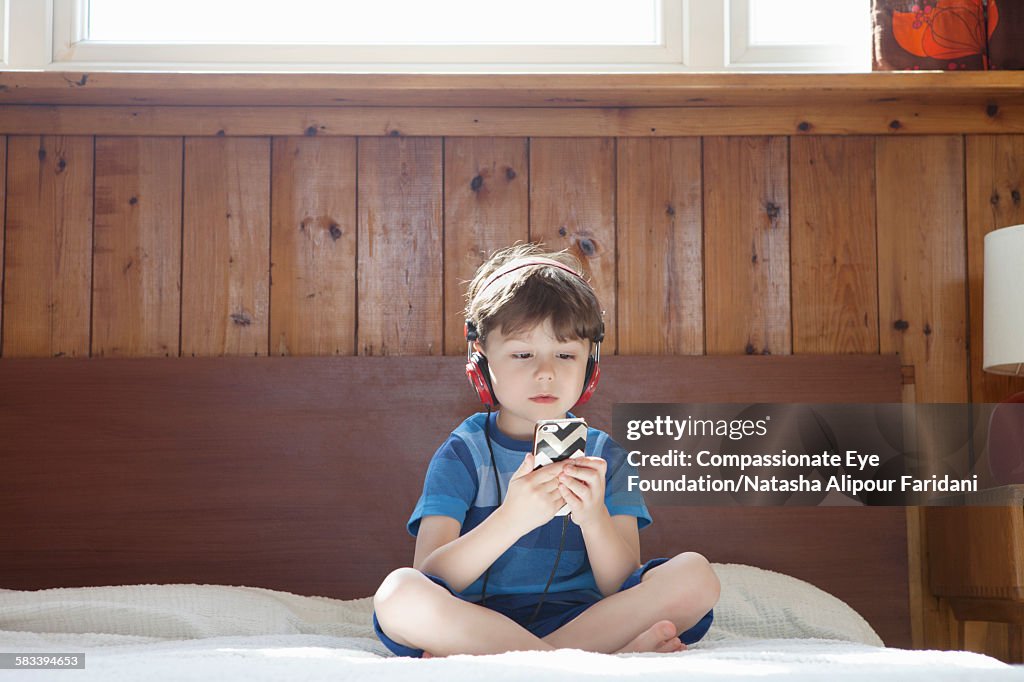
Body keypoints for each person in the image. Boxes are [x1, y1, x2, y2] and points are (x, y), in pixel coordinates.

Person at [372, 244, 719, 657]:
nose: (546, 372)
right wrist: (512, 520)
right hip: (476, 622)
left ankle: (529, 660)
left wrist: (592, 518)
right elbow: (432, 576)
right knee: (399, 593)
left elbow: (621, 583)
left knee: (697, 576)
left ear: (590, 365)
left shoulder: (606, 457)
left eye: (566, 354)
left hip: (585, 619)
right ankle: (588, 657)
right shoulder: (463, 454)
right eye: (522, 354)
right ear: (480, 360)